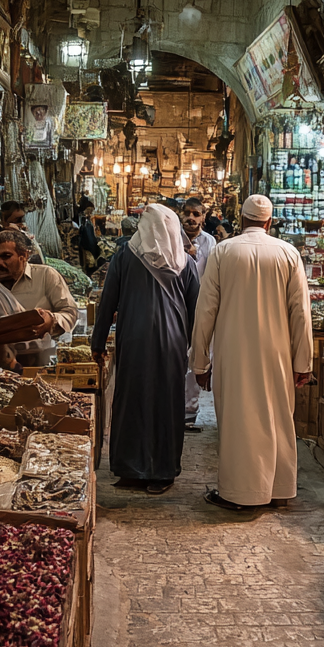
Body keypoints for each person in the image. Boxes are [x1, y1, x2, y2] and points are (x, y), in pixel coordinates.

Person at [189, 195, 313, 510]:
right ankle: (280, 489)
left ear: (242, 221)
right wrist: (303, 362)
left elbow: (205, 312)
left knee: (237, 421)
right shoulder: (288, 253)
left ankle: (239, 494)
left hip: (233, 354)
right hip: (278, 354)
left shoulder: (223, 252)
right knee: (277, 418)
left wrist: (200, 361)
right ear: (268, 223)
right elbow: (300, 312)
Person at [92, 205, 200, 495]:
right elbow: (196, 310)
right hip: (173, 344)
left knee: (132, 399)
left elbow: (107, 304)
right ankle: (162, 471)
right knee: (166, 404)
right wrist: (194, 350)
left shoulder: (124, 257)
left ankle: (130, 469)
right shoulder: (185, 263)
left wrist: (97, 343)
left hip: (134, 340)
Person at [0, 229, 77, 368]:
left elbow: (70, 312)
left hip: (39, 363)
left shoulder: (46, 276)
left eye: (6, 256)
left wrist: (51, 320)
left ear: (23, 255)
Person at [179, 197, 217, 432]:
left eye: (196, 214)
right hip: (175, 306)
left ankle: (189, 412)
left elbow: (212, 276)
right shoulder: (172, 239)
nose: (191, 218)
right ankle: (171, 408)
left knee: (195, 359)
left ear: (203, 217)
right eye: (187, 213)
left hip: (200, 308)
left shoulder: (210, 243)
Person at [74, 196, 102, 274]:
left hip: (91, 242)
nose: (90, 213)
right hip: (86, 244)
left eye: (91, 211)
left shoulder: (87, 220)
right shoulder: (81, 219)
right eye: (88, 210)